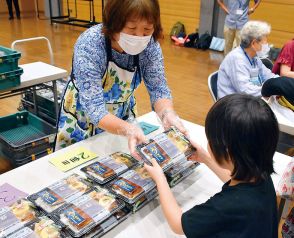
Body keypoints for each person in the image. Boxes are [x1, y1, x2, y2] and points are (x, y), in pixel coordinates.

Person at [55, 0, 186, 153]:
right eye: (131, 29)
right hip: (82, 117)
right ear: (113, 24)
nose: (139, 37)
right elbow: (94, 108)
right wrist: (127, 129)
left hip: (122, 115)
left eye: (147, 30)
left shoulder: (149, 45)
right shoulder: (90, 44)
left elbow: (158, 89)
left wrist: (167, 113)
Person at [145, 94, 279, 238]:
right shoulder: (261, 175)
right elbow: (237, 178)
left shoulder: (225, 206)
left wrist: (160, 179)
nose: (208, 144)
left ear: (227, 152)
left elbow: (178, 224)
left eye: (210, 140)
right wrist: (207, 159)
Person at [217, 20, 279, 99]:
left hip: (248, 101)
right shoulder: (237, 59)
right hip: (233, 106)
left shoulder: (254, 58)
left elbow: (268, 75)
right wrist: (272, 89)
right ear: (253, 43)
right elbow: (246, 90)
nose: (267, 45)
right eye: (265, 41)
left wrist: (281, 83)